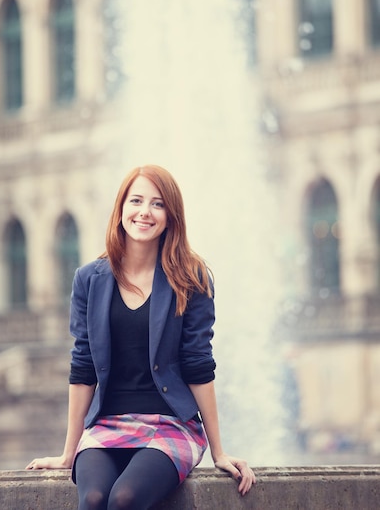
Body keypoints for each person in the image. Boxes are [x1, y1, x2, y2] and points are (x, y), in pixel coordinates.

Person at [26, 164, 256, 509]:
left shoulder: (190, 277)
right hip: (107, 424)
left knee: (124, 499)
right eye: (136, 201)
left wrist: (218, 450)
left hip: (171, 425)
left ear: (171, 216)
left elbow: (198, 363)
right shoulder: (89, 279)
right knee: (92, 497)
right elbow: (83, 366)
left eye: (158, 204)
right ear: (120, 210)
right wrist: (68, 451)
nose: (144, 212)